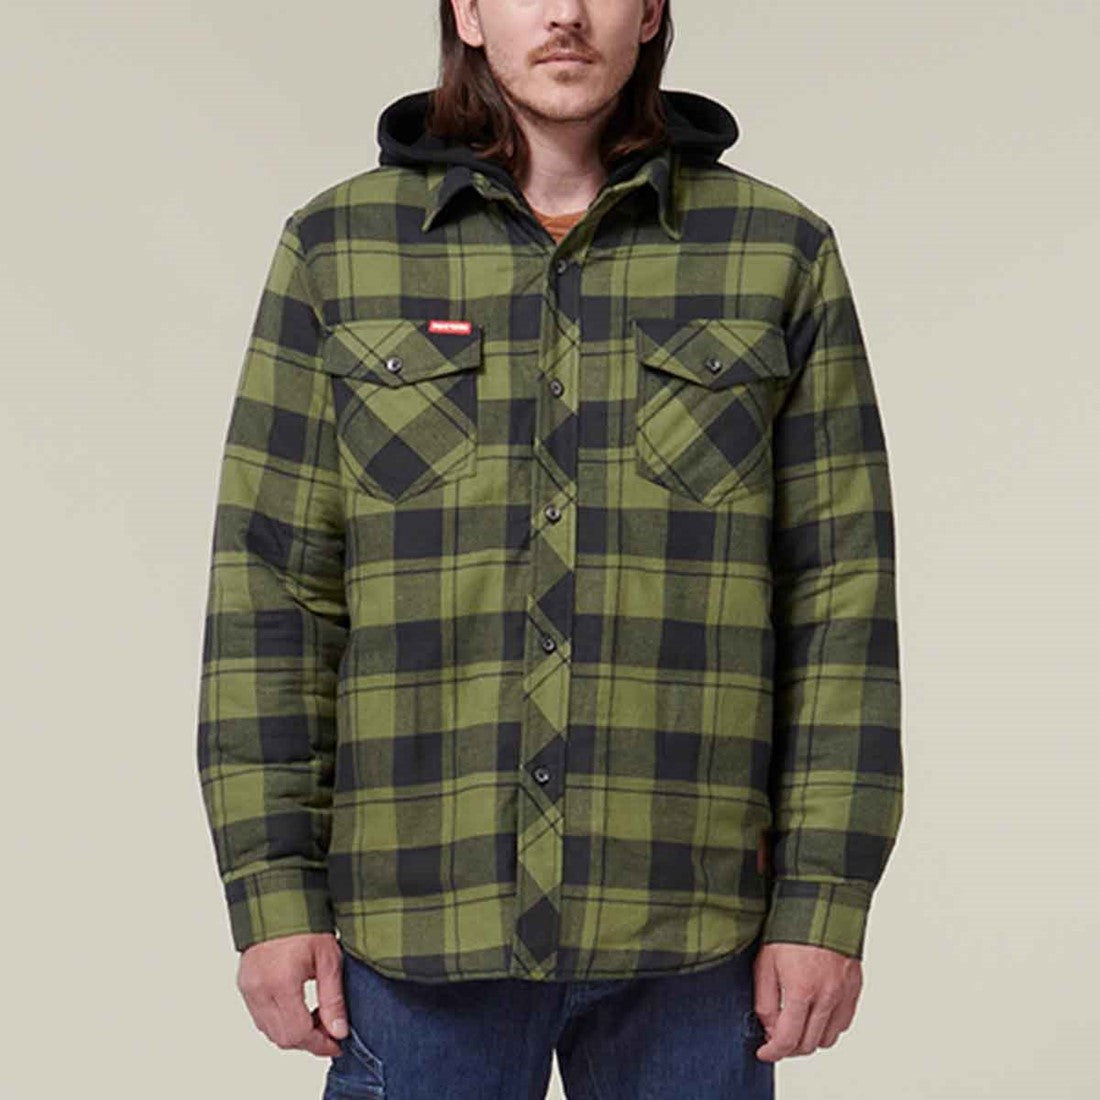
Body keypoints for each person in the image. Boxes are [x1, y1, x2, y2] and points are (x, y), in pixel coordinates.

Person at [195, 1, 904, 1096]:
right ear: (468, 12)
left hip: (693, 931)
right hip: (416, 925)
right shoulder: (338, 249)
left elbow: (839, 596)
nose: (566, 13)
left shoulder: (776, 252)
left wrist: (823, 901)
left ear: (651, 11)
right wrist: (272, 891)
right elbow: (272, 590)